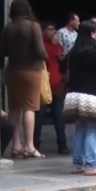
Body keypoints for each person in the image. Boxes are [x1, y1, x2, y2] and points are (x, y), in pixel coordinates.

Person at [63, 21, 96, 175]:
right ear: (92, 34)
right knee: (92, 130)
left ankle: (77, 164)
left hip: (75, 95)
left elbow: (62, 67)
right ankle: (90, 165)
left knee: (80, 130)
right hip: (93, 96)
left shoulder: (74, 52)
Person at [0, 0, 47, 159]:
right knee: (29, 107)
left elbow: (3, 52)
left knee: (14, 108)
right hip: (32, 70)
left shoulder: (8, 28)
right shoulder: (33, 26)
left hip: (13, 71)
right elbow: (40, 51)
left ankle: (16, 146)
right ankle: (30, 146)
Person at [34, 23, 68, 154]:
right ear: (43, 31)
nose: (53, 32)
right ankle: (36, 144)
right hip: (44, 84)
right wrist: (54, 47)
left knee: (59, 116)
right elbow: (45, 59)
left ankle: (62, 144)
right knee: (40, 116)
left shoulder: (57, 44)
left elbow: (62, 60)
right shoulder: (42, 44)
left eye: (54, 29)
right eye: (50, 29)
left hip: (57, 84)